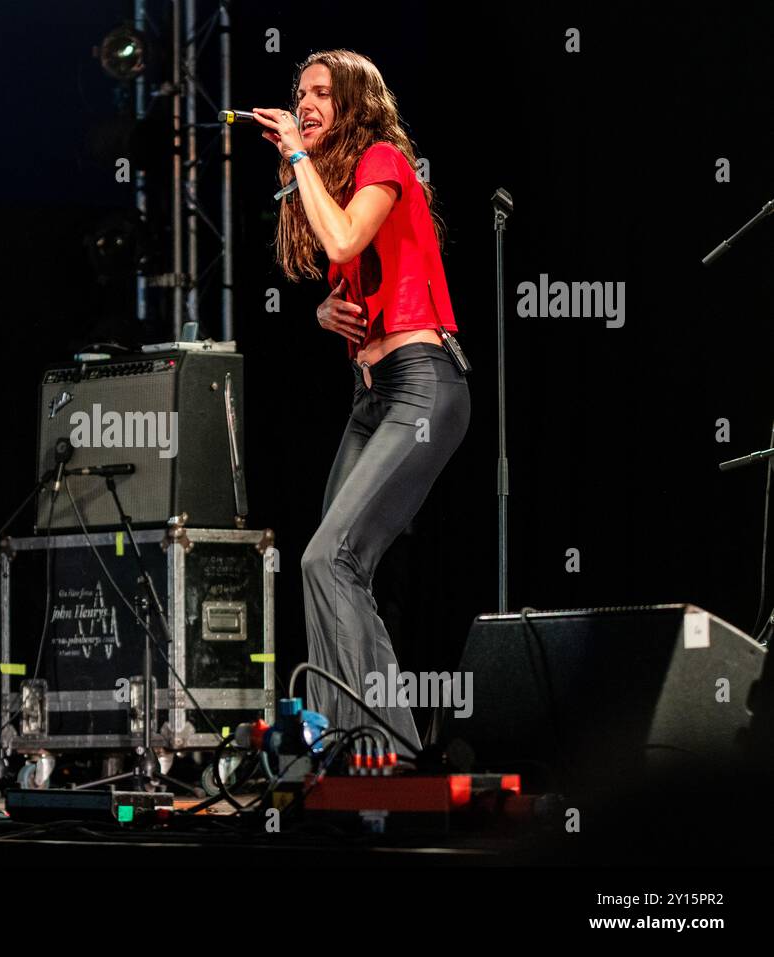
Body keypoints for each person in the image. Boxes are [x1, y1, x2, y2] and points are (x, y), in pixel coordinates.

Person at [254, 51, 470, 757]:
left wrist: (294, 154)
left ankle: (392, 749)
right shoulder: (340, 182)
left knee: (325, 560)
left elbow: (346, 236)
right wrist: (323, 314)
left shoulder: (383, 160)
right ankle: (336, 747)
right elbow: (341, 253)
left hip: (423, 383)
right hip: (371, 396)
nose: (305, 102)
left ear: (355, 103)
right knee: (335, 566)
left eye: (321, 92)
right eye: (299, 93)